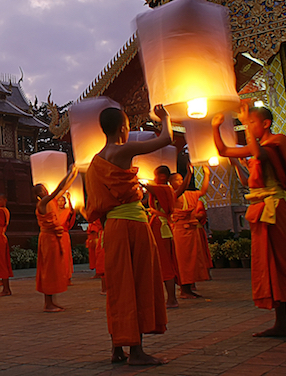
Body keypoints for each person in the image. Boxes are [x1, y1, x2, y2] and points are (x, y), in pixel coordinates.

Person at [213, 104, 286, 344]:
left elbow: (259, 154)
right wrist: (214, 126)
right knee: (269, 266)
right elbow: (224, 150)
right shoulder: (257, 146)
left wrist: (246, 125)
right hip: (259, 211)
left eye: (252, 123)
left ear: (265, 124)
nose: (249, 126)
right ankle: (281, 324)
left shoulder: (278, 141)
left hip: (275, 209)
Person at [85, 105, 172, 366]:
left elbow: (96, 206)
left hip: (111, 227)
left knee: (119, 286)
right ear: (123, 128)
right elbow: (166, 139)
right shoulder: (122, 150)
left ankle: (117, 346)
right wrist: (165, 118)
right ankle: (136, 351)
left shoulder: (94, 162)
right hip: (132, 224)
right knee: (137, 282)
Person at [34, 166, 79, 312]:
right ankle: (48, 303)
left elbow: (62, 189)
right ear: (39, 194)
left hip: (54, 237)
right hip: (48, 239)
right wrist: (69, 173)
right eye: (42, 190)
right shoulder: (43, 203)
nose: (45, 191)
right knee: (48, 270)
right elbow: (59, 188)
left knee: (54, 269)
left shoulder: (51, 202)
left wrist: (73, 175)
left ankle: (52, 301)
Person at [144, 164, 187, 308]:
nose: (154, 179)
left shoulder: (162, 188)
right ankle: (169, 298)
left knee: (165, 263)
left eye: (155, 176)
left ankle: (172, 299)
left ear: (162, 177)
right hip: (161, 227)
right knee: (163, 261)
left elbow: (148, 187)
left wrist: (136, 178)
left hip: (161, 228)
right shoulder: (166, 189)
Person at [169, 165, 211, 299]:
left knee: (192, 260)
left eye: (182, 180)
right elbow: (180, 190)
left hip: (192, 231)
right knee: (183, 261)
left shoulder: (189, 194)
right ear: (171, 182)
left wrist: (207, 174)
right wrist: (189, 174)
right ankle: (184, 289)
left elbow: (203, 191)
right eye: (178, 180)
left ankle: (189, 288)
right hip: (180, 231)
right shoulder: (171, 194)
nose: (181, 182)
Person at [56, 195, 76, 285]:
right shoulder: (54, 212)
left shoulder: (67, 211)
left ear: (65, 202)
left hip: (64, 235)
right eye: (59, 200)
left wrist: (69, 199)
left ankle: (68, 278)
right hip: (56, 236)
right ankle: (59, 277)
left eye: (62, 201)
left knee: (66, 257)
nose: (60, 202)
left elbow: (72, 212)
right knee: (57, 257)